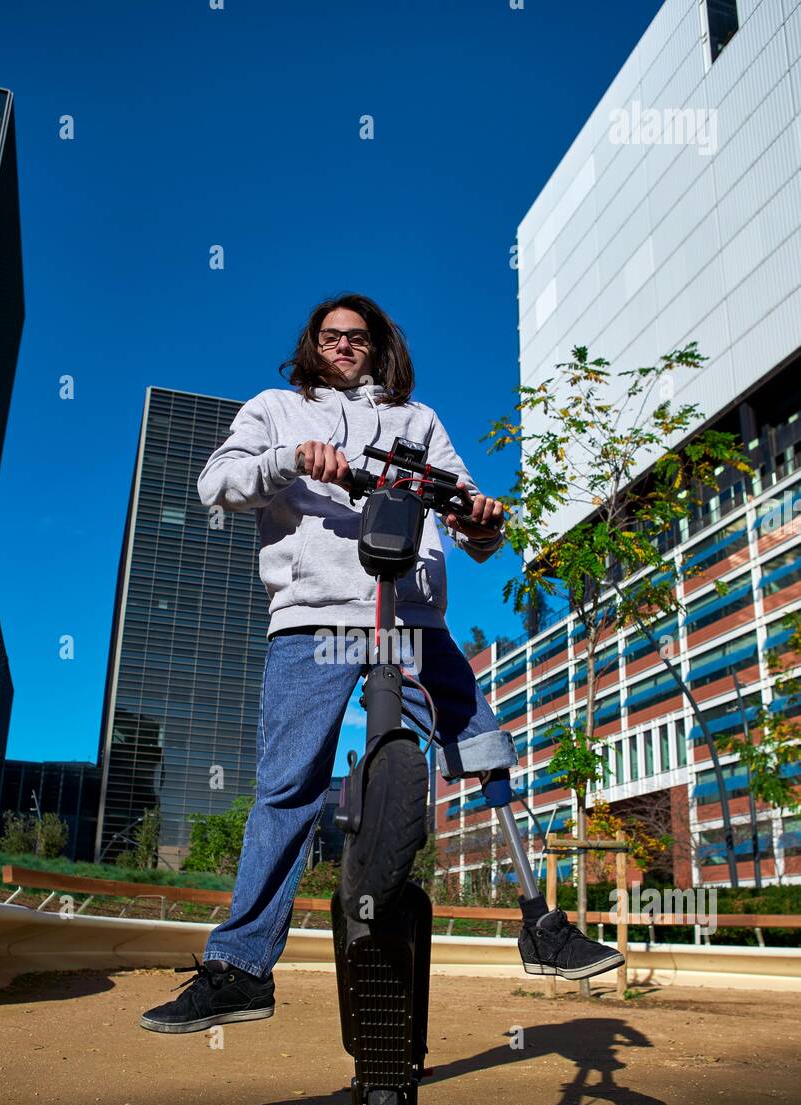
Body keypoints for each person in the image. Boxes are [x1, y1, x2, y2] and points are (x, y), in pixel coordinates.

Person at [140, 293, 618, 1035]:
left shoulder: (417, 422)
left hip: (411, 616)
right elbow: (218, 484)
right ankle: (240, 969)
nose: (343, 345)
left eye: (357, 337)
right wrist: (293, 458)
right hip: (316, 617)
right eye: (330, 335)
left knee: (485, 748)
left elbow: (468, 524)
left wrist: (479, 520)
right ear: (313, 343)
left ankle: (540, 924)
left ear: (378, 346)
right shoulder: (274, 407)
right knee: (288, 787)